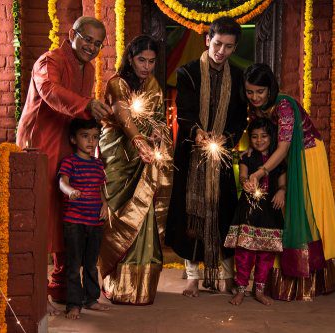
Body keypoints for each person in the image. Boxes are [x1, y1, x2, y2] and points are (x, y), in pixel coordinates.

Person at [16, 16, 113, 309]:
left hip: (69, 143)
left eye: (97, 43)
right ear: (72, 34)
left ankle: (60, 284)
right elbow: (50, 91)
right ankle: (32, 283)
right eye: (87, 39)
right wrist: (87, 105)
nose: (92, 47)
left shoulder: (90, 68)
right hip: (41, 142)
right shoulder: (50, 60)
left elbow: (81, 108)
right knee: (43, 209)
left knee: (66, 209)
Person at [243, 63, 335, 301]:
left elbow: (284, 145)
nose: (255, 97)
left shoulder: (284, 106)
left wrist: (259, 172)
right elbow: (264, 137)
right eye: (250, 92)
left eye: (260, 91)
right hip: (285, 158)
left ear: (270, 89)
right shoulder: (259, 109)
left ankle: (309, 275)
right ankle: (278, 273)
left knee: (308, 211)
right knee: (283, 211)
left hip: (307, 156)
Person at [165, 16, 248, 297]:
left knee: (223, 210)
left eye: (228, 46)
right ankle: (192, 277)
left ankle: (225, 275)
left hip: (221, 155)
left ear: (235, 49)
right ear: (207, 40)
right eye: (217, 44)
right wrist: (199, 134)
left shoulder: (238, 77)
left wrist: (226, 138)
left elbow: (240, 119)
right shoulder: (188, 72)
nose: (220, 51)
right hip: (192, 152)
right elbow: (185, 111)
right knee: (192, 212)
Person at [98, 35, 173, 305]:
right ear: (130, 57)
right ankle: (115, 284)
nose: (147, 66)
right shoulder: (117, 82)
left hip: (144, 159)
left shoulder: (153, 85)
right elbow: (122, 114)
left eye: (152, 61)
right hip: (119, 154)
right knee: (119, 213)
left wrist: (155, 136)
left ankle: (140, 287)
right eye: (142, 60)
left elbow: (158, 121)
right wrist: (137, 139)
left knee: (144, 215)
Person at [224, 117, 286, 306]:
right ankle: (241, 289)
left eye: (264, 136)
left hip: (270, 211)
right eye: (255, 137)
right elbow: (243, 176)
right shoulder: (247, 157)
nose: (259, 140)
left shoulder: (278, 158)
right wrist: (246, 183)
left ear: (272, 137)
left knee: (266, 253)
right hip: (248, 211)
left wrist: (282, 191)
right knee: (244, 252)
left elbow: (282, 182)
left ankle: (259, 290)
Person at [58, 118, 110, 319]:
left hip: (95, 222)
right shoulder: (70, 162)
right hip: (75, 222)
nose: (91, 141)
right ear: (73, 139)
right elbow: (62, 182)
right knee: (73, 264)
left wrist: (105, 204)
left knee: (90, 264)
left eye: (95, 137)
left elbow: (100, 189)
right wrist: (70, 191)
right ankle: (73, 304)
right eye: (85, 136)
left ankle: (91, 299)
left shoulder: (98, 164)